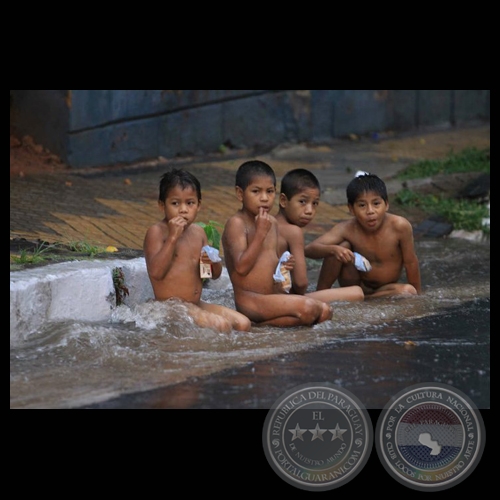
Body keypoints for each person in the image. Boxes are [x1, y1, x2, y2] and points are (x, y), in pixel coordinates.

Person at [222, 160, 333, 327]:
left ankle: (261, 326)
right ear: (240, 194)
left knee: (325, 312)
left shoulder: (272, 223)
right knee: (309, 308)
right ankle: (257, 322)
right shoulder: (237, 224)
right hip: (250, 300)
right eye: (256, 191)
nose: (265, 198)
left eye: (270, 191)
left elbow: (270, 268)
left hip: (272, 296)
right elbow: (241, 268)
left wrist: (283, 270)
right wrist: (260, 234)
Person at [143, 168, 251, 333]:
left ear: (198, 205)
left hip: (196, 303)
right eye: (175, 203)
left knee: (243, 323)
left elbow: (211, 275)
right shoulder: (156, 232)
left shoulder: (198, 233)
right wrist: (172, 238)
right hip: (170, 306)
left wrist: (213, 263)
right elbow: (156, 272)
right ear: (161, 205)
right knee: (220, 325)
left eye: (190, 203)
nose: (183, 210)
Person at [305, 172, 421, 299]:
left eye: (376, 203)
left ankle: (367, 299)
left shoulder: (400, 226)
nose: (370, 211)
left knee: (409, 291)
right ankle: (320, 295)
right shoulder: (347, 228)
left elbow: (411, 262)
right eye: (362, 205)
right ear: (351, 209)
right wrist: (334, 250)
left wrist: (419, 298)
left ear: (386, 204)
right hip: (355, 284)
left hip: (386, 288)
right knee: (341, 246)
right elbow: (309, 249)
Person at [276, 168, 364, 302]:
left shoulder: (267, 224)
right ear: (283, 200)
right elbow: (301, 284)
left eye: (315, 203)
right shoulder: (293, 232)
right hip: (281, 300)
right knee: (357, 293)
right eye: (302, 202)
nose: (310, 210)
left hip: (259, 297)